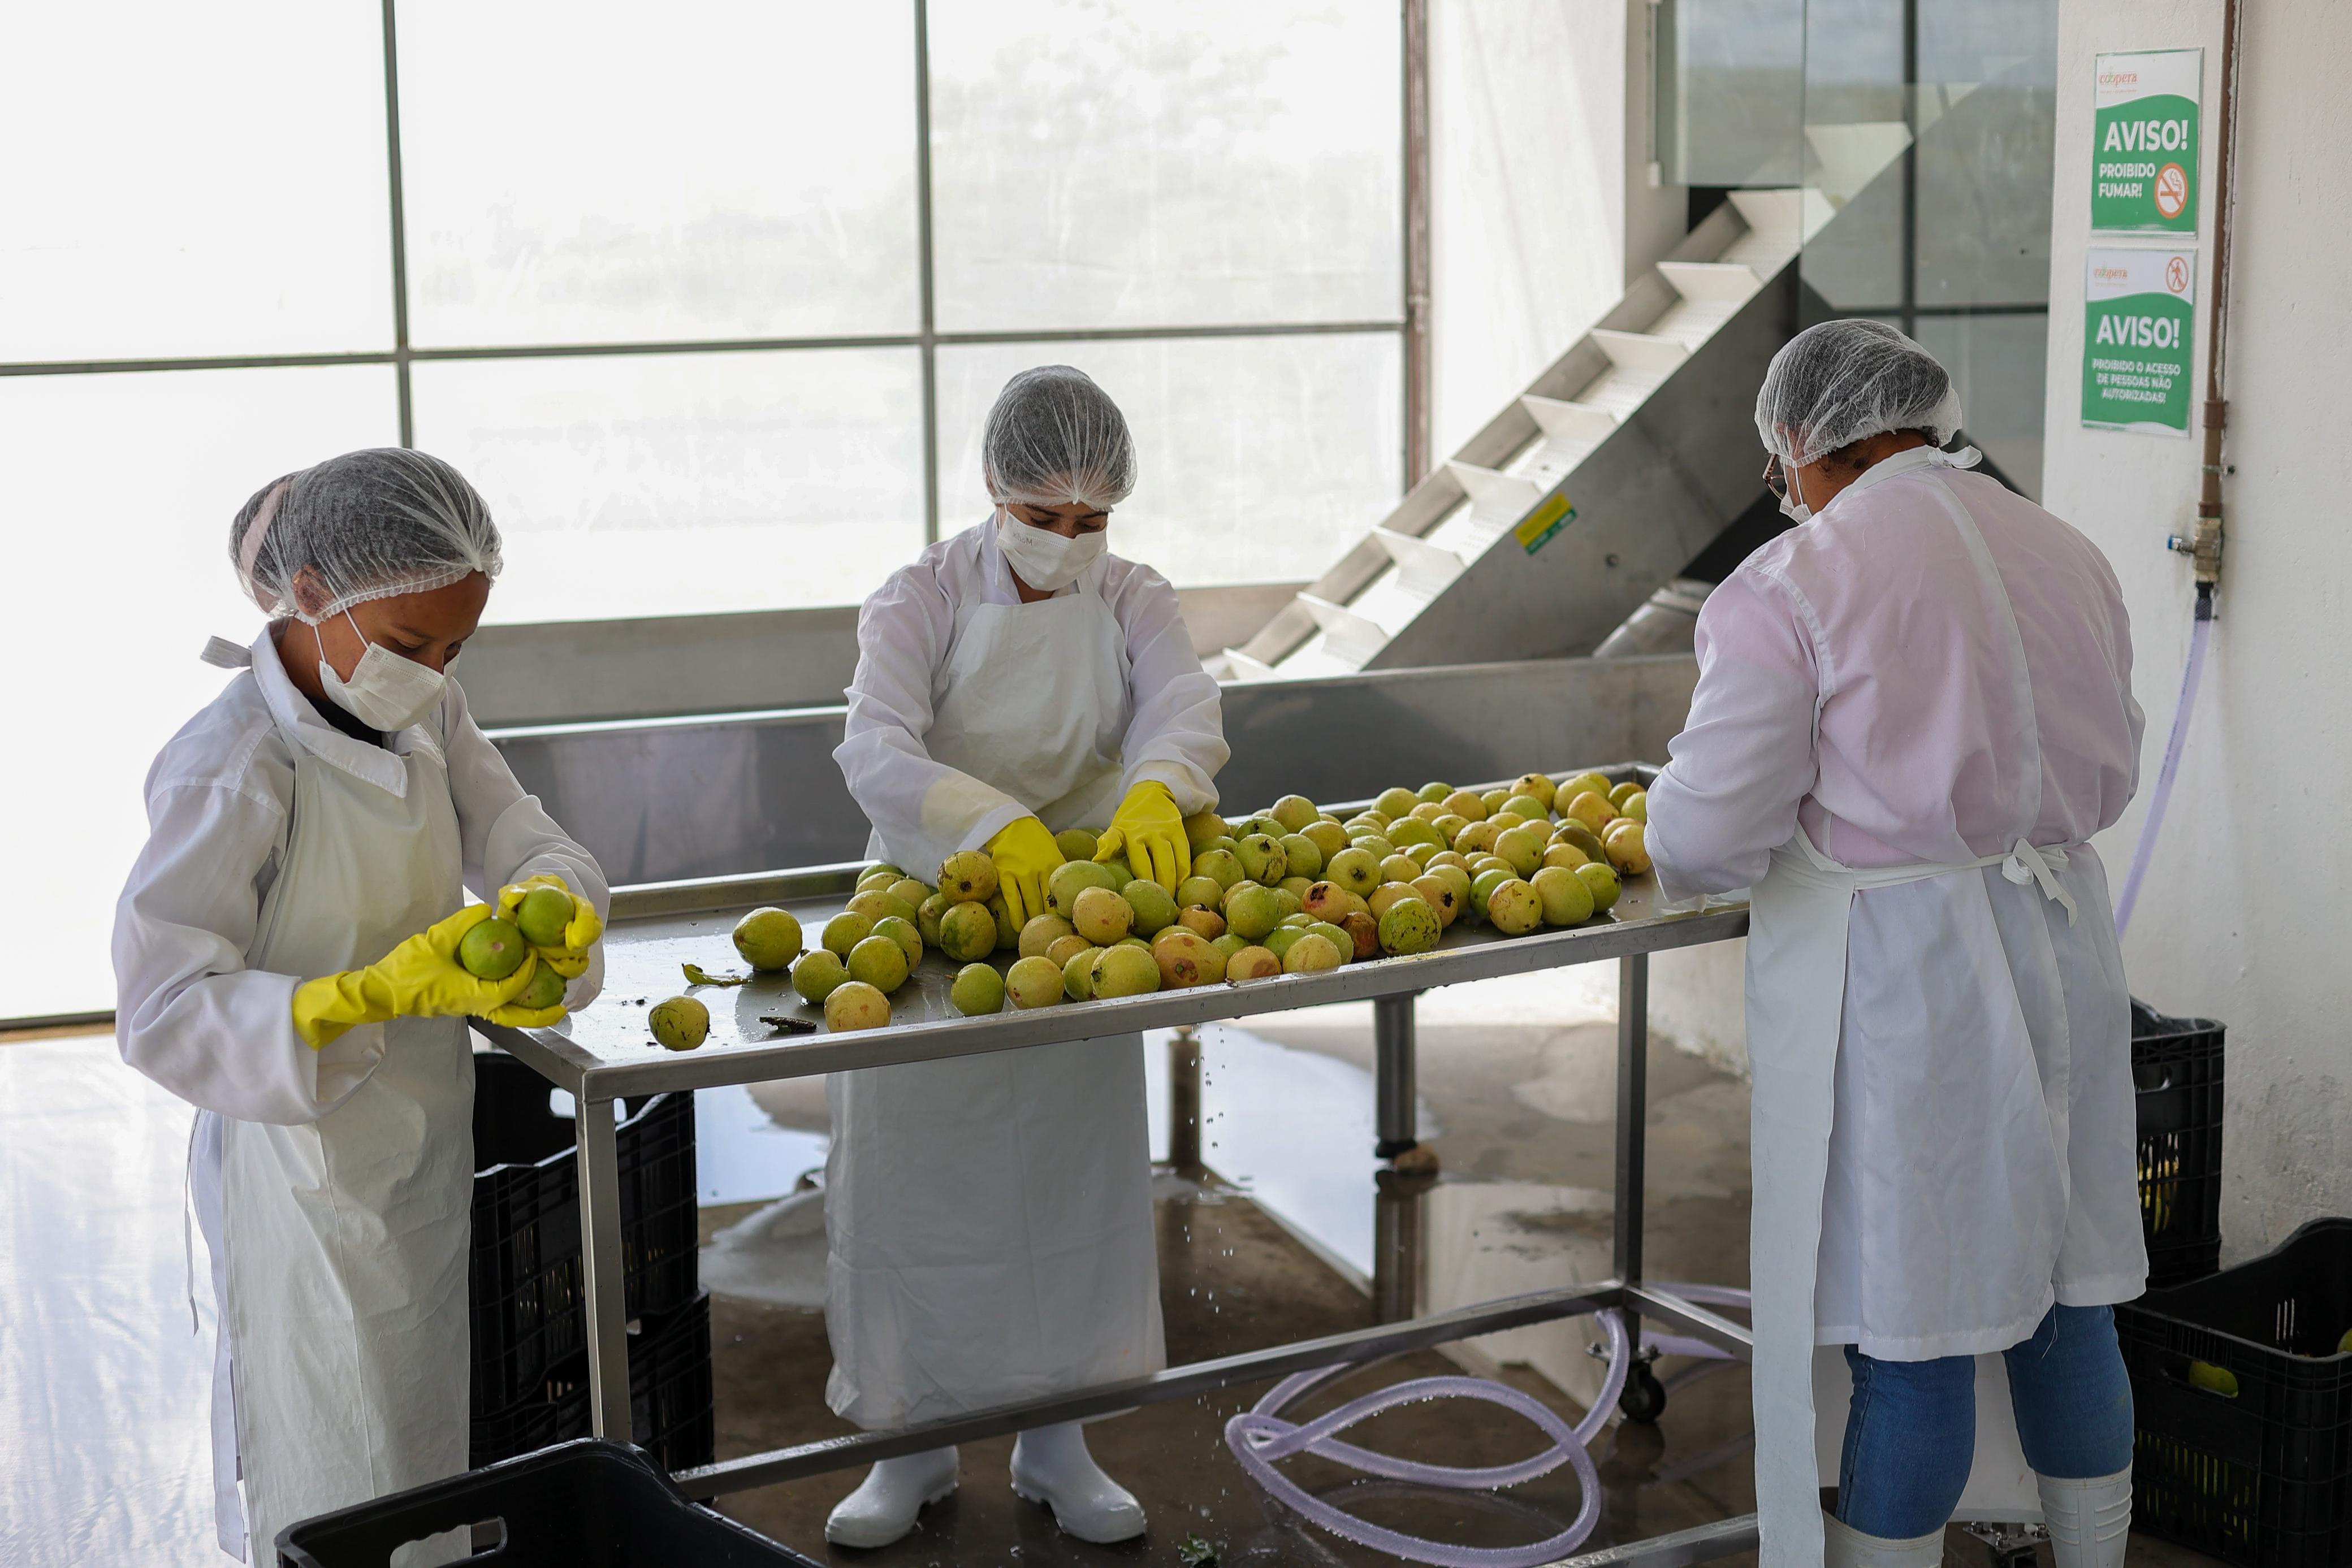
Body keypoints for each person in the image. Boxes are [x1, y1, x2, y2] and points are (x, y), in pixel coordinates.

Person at [1645, 321, 2145, 1568]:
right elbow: (2114, 762)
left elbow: (1708, 830)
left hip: (1912, 988)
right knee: (2070, 1305)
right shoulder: (2066, 548)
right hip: (2066, 947)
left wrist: (1669, 823)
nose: (1786, 493)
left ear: (1804, 448)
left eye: (1779, 472)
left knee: (1911, 1335)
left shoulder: (1795, 582)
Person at [113, 449, 609, 1562]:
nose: (434, 670)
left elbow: (518, 829)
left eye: (456, 647)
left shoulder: (426, 707)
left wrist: (550, 895)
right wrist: (359, 997)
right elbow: (160, 1007)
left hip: (419, 1124)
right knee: (337, 1444)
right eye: (411, 645)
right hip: (299, 1164)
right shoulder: (232, 764)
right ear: (307, 593)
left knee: (416, 1425)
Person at [827, 365, 1227, 1547]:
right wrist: (983, 820)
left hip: (1080, 923)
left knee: (1072, 1185)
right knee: (917, 1192)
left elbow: (1183, 705)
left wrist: (1158, 787)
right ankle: (908, 1446)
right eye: (1045, 517)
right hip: (932, 906)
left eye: (1090, 520)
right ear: (996, 489)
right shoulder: (920, 596)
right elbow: (873, 743)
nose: (1068, 541)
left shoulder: (1133, 594)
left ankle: (1060, 1441)